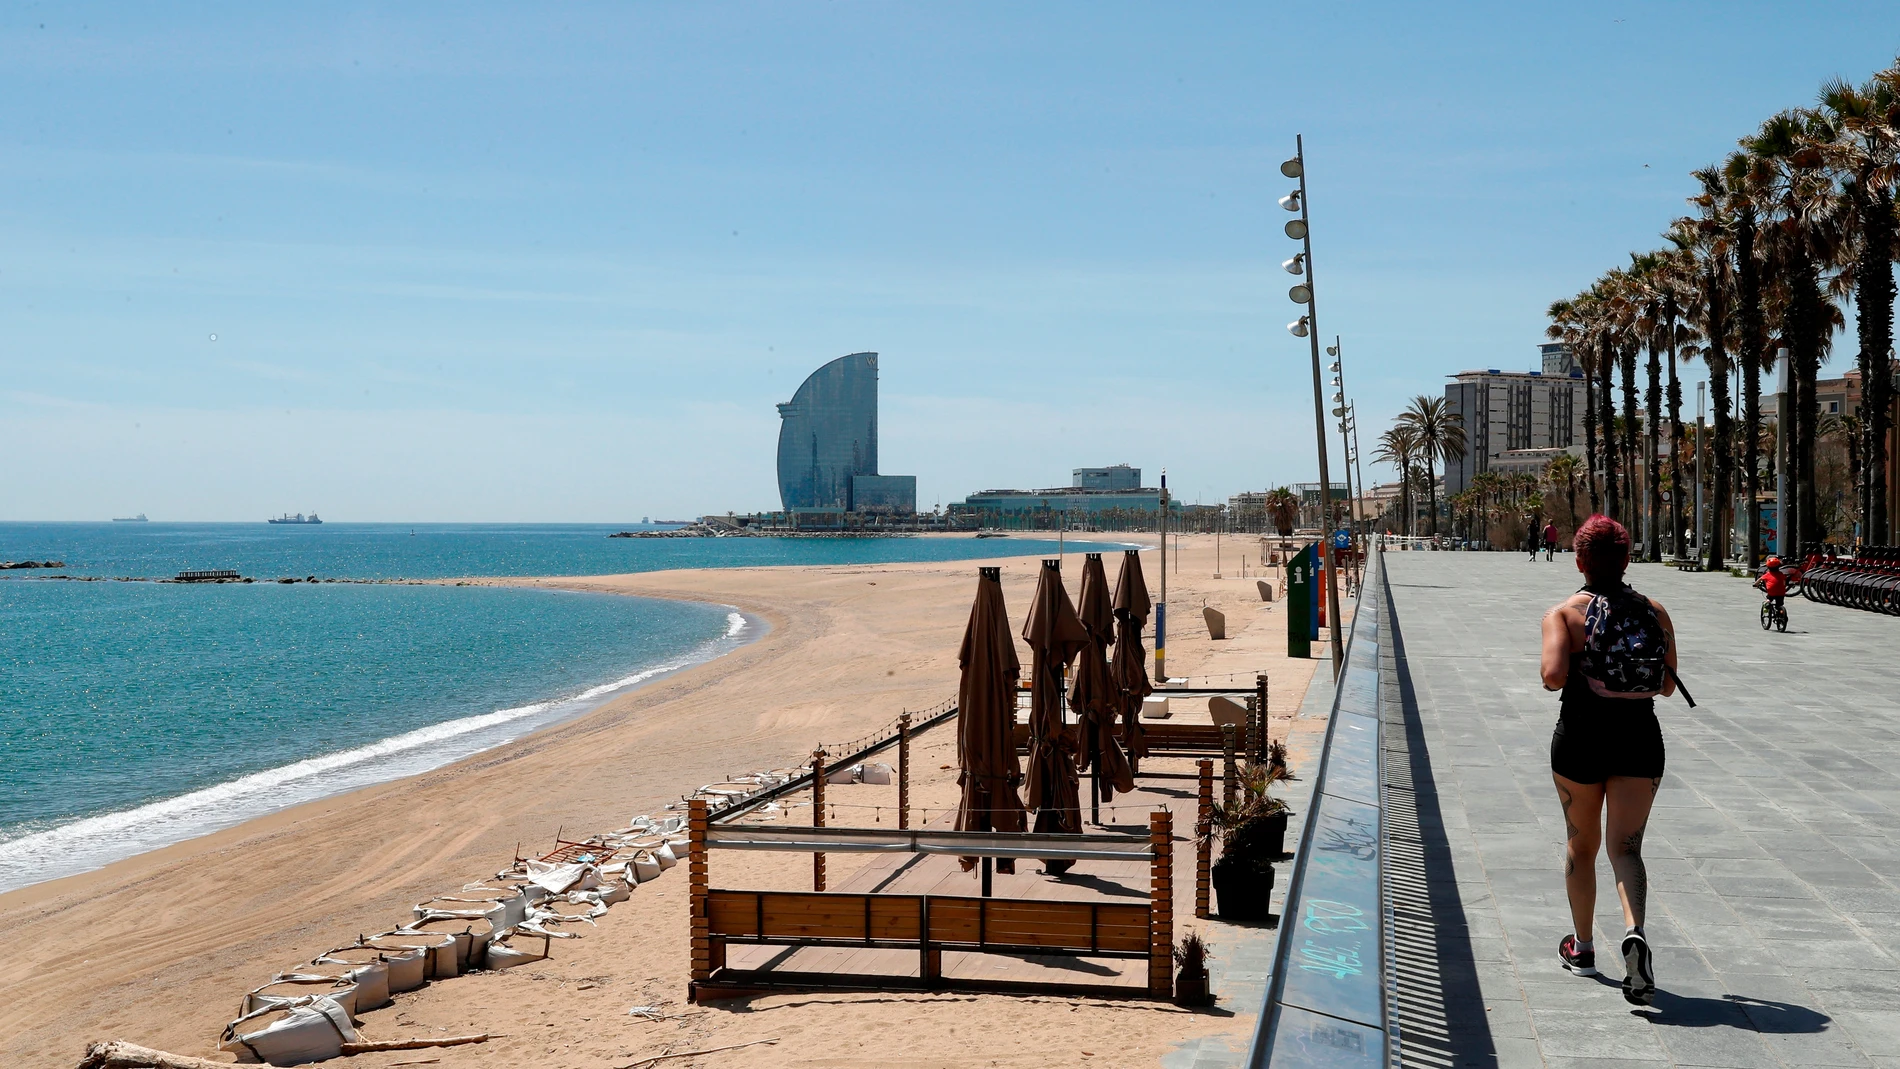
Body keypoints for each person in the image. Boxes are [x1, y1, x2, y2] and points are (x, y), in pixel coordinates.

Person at [1541, 514, 1676, 1006]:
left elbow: (1552, 677)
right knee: (1627, 848)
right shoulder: (1654, 611)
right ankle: (1634, 931)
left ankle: (1582, 948)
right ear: (1627, 559)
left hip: (1580, 737)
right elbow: (1666, 685)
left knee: (1582, 846)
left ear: (1580, 561)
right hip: (1639, 738)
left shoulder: (1563, 615)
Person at [1754, 556, 1790, 622]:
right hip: (1781, 592)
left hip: (1772, 592)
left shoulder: (1767, 574)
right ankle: (1781, 613)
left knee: (1769, 598)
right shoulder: (1781, 574)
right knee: (1779, 604)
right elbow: (1784, 582)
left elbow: (1759, 580)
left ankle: (1767, 603)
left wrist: (1755, 584)